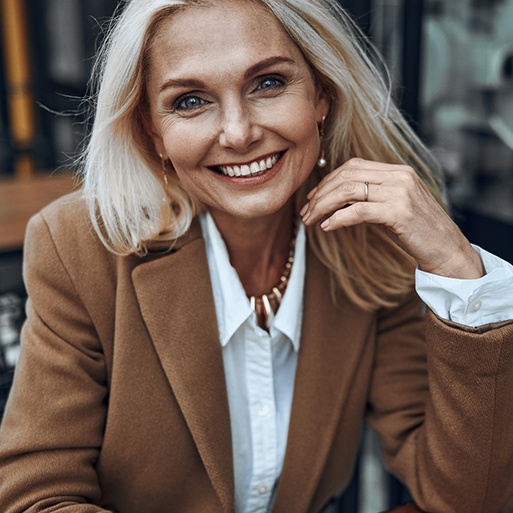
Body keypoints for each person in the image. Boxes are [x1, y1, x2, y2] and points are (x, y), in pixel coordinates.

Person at [0, 0, 512, 512]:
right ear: (153, 131)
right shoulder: (81, 245)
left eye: (267, 84)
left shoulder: (370, 241)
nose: (239, 133)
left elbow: (467, 497)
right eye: (190, 101)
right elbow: (38, 497)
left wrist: (460, 273)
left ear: (322, 96)